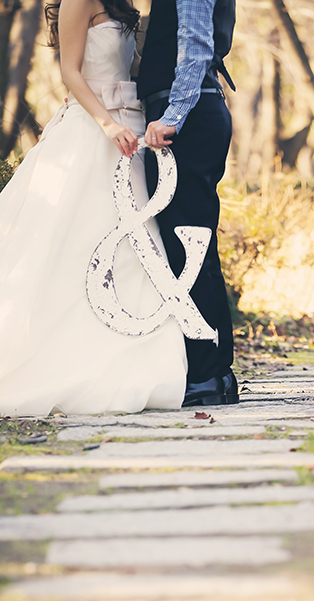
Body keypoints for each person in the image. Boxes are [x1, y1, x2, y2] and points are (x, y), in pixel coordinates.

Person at [0, 0, 190, 416]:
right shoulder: (77, 1)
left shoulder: (122, 7)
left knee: (135, 250)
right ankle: (64, 362)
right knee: (76, 241)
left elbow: (135, 68)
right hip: (94, 131)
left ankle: (135, 366)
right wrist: (107, 123)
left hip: (132, 130)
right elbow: (70, 71)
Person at [138, 0, 239, 407]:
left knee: (188, 248)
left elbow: (195, 44)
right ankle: (215, 373)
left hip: (187, 119)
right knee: (196, 246)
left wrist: (172, 116)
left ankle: (206, 375)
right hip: (195, 115)